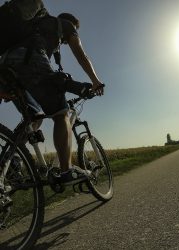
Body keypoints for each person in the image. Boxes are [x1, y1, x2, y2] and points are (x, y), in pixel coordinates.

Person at [2, 12, 104, 183]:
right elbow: (81, 56)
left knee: (34, 118)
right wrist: (96, 81)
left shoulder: (36, 27)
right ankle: (66, 171)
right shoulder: (66, 25)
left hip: (5, 65)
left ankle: (9, 163)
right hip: (29, 59)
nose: (64, 41)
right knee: (61, 114)